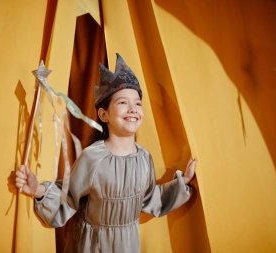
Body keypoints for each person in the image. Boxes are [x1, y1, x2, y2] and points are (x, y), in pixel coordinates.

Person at [16, 53, 196, 253]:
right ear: (104, 114)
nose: (133, 109)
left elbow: (151, 197)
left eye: (137, 103)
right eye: (122, 103)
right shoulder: (92, 157)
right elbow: (68, 198)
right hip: (93, 246)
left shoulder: (144, 158)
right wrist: (38, 191)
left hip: (128, 246)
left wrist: (183, 182)